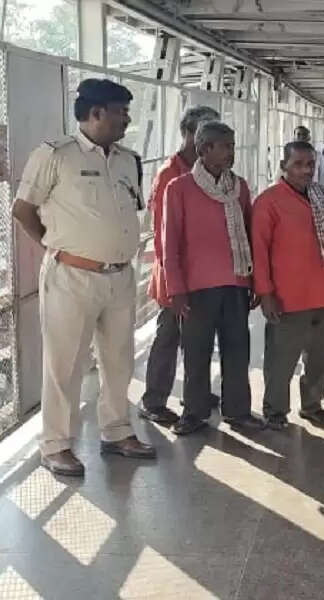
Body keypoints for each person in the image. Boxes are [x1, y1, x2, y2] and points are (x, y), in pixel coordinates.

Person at [12, 79, 156, 476]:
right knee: (65, 364)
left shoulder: (129, 160)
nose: (127, 119)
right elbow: (23, 210)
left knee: (119, 359)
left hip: (120, 277)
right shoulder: (55, 155)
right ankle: (56, 445)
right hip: (71, 277)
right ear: (95, 113)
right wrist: (58, 249)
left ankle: (116, 431)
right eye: (120, 111)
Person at [162, 122, 264, 435]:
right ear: (205, 150)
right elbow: (171, 242)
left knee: (237, 349)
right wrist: (176, 290)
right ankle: (194, 413)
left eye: (232, 146)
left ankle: (238, 411)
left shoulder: (240, 187)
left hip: (235, 284)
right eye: (226, 146)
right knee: (196, 352)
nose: (232, 152)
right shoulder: (178, 188)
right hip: (195, 289)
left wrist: (256, 282)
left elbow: (250, 235)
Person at [252, 141, 324, 431]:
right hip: (288, 297)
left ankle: (312, 405)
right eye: (298, 164)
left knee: (321, 358)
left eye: (311, 164)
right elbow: (259, 251)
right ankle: (275, 411)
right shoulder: (268, 202)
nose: (306, 170)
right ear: (283, 166)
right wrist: (265, 293)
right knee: (281, 359)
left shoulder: (319, 196)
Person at [138, 105, 220, 426]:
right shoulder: (169, 175)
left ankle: (195, 392)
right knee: (169, 335)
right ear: (188, 134)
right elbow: (162, 236)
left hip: (203, 273)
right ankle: (153, 400)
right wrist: (176, 280)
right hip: (176, 275)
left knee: (198, 337)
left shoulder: (207, 170)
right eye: (204, 134)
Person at [295, 125, 324, 195]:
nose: (301, 137)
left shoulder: (318, 156)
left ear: (308, 138)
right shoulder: (287, 154)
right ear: (294, 137)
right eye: (298, 134)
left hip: (311, 193)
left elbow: (323, 177)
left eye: (304, 134)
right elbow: (280, 176)